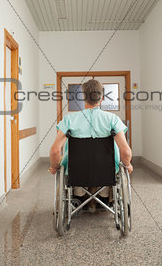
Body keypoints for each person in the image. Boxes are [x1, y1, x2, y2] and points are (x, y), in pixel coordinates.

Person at [49, 79, 133, 210]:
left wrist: (54, 167)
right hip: (107, 169)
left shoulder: (69, 120)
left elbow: (55, 151)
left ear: (83, 97)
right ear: (102, 97)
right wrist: (128, 165)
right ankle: (104, 197)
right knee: (119, 168)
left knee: (67, 166)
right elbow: (126, 152)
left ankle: (79, 196)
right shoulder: (112, 119)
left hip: (76, 169)